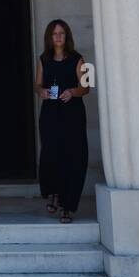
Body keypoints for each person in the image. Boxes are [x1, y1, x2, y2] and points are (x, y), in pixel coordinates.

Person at [35, 19, 89, 223]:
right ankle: (54, 193)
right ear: (49, 37)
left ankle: (67, 207)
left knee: (72, 158)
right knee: (51, 155)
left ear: (67, 36)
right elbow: (37, 84)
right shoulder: (43, 59)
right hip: (50, 114)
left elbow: (86, 88)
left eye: (62, 33)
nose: (58, 37)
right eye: (54, 34)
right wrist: (41, 91)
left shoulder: (78, 59)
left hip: (72, 115)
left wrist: (72, 92)